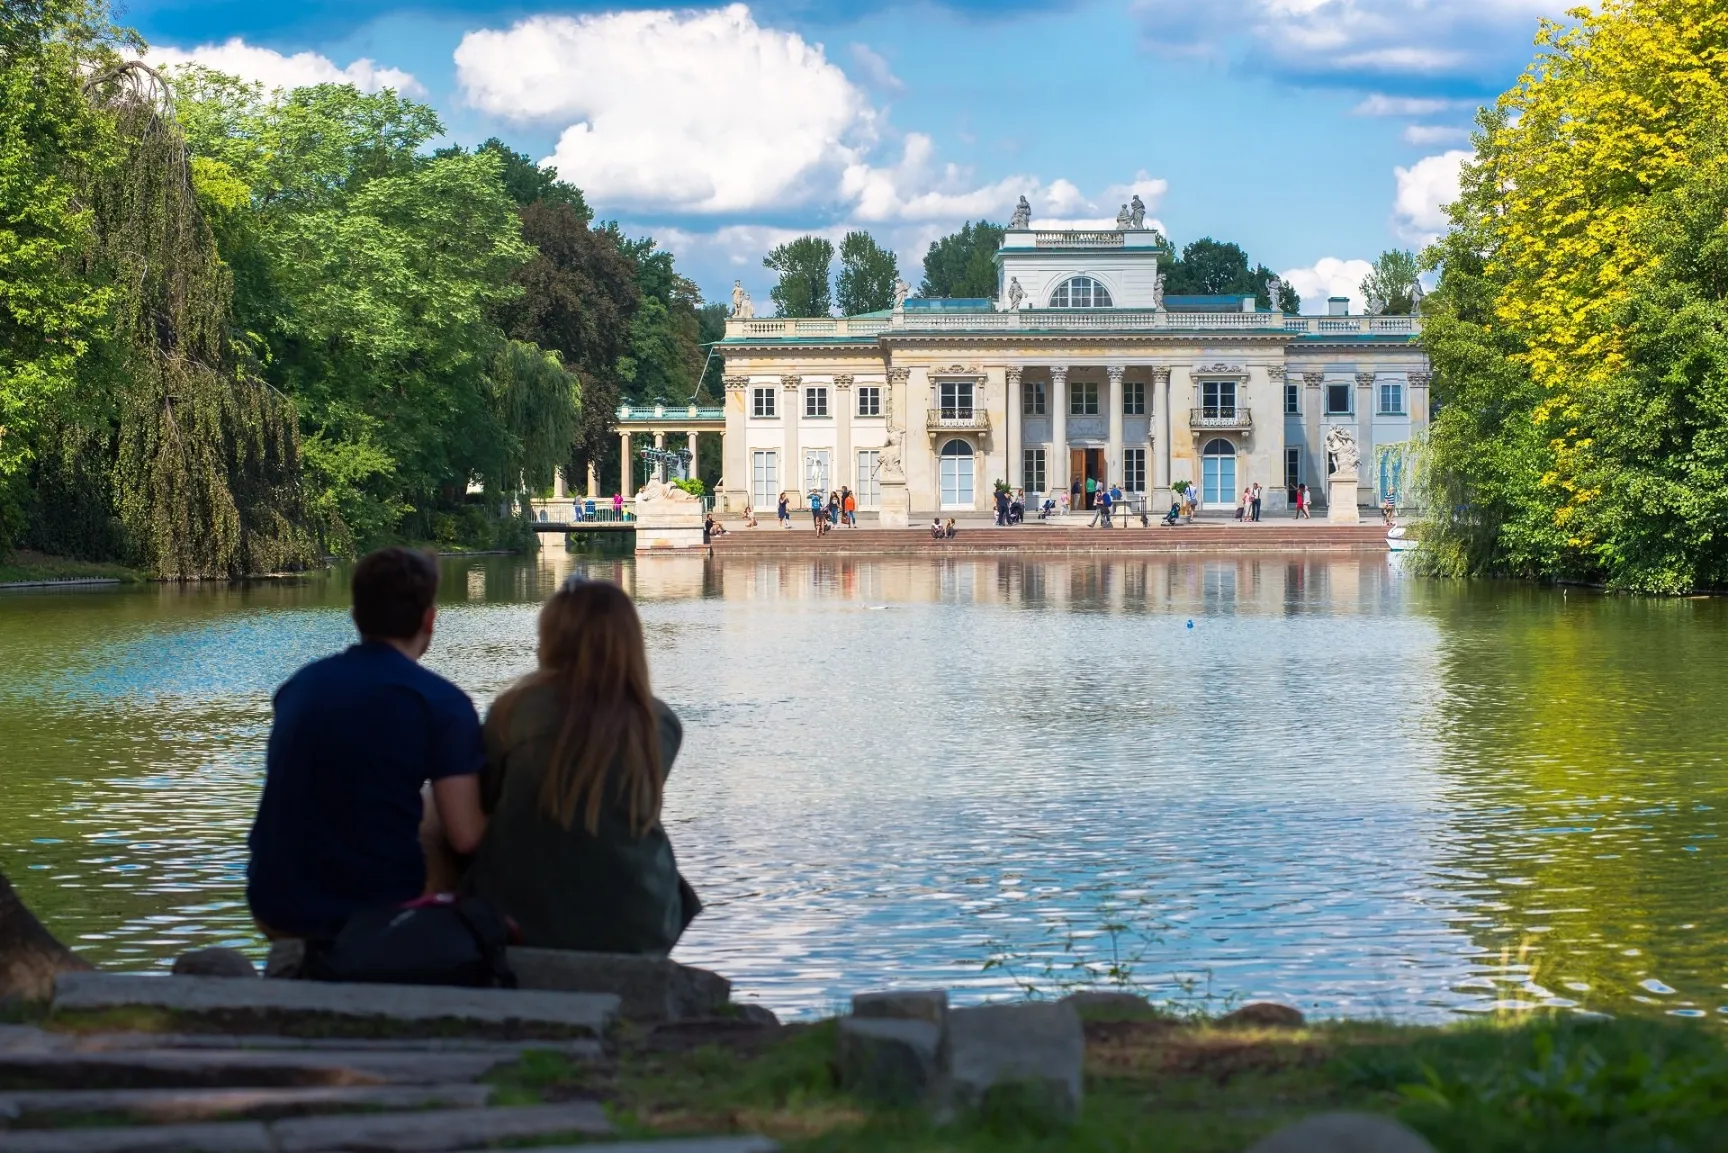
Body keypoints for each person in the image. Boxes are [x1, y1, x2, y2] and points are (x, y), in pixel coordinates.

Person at [247, 548, 487, 940]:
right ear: (430, 619)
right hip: (376, 910)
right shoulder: (443, 704)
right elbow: (466, 836)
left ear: (356, 616)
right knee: (439, 810)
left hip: (274, 904)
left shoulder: (300, 686)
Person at [462, 578, 698, 954]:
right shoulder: (660, 723)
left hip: (525, 920)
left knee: (439, 811)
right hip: (643, 921)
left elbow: (487, 801)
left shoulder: (512, 712)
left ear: (551, 640)